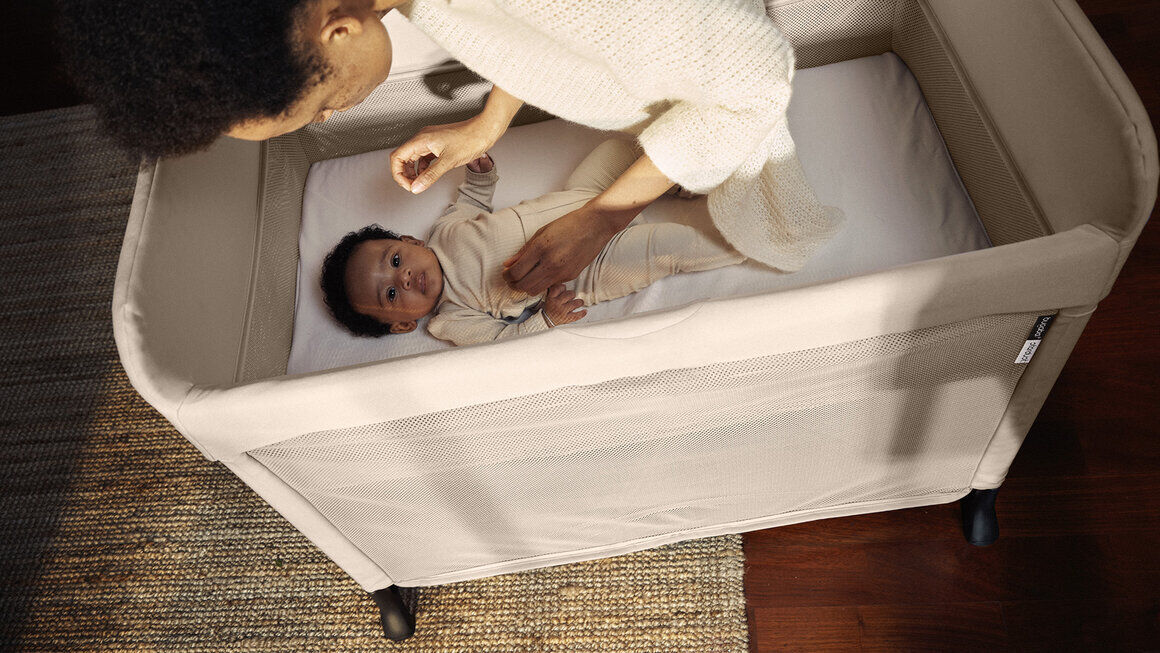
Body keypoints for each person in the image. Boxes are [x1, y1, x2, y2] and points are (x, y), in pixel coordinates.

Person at [59, 0, 838, 292]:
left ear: (337, 29)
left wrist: (602, 219)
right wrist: (488, 124)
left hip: (712, 79)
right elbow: (537, 35)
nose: (332, 119)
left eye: (322, 102)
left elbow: (758, 79)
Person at [321, 139, 745, 346]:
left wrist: (480, 171)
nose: (407, 276)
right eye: (392, 292)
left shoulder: (444, 233)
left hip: (583, 199)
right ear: (402, 324)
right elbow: (506, 346)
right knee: (668, 249)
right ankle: (745, 237)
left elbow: (473, 198)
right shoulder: (450, 319)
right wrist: (548, 321)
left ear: (408, 240)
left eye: (395, 259)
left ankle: (673, 185)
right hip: (592, 268)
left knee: (620, 148)